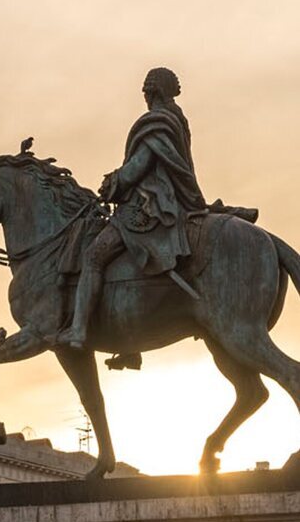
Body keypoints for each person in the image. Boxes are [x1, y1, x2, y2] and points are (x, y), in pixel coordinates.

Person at [60, 67, 206, 349]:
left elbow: (138, 167)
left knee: (93, 256)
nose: (144, 95)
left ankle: (78, 330)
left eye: (146, 89)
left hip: (149, 206)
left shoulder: (157, 122)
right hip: (168, 199)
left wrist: (113, 183)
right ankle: (127, 346)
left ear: (153, 91)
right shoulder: (176, 118)